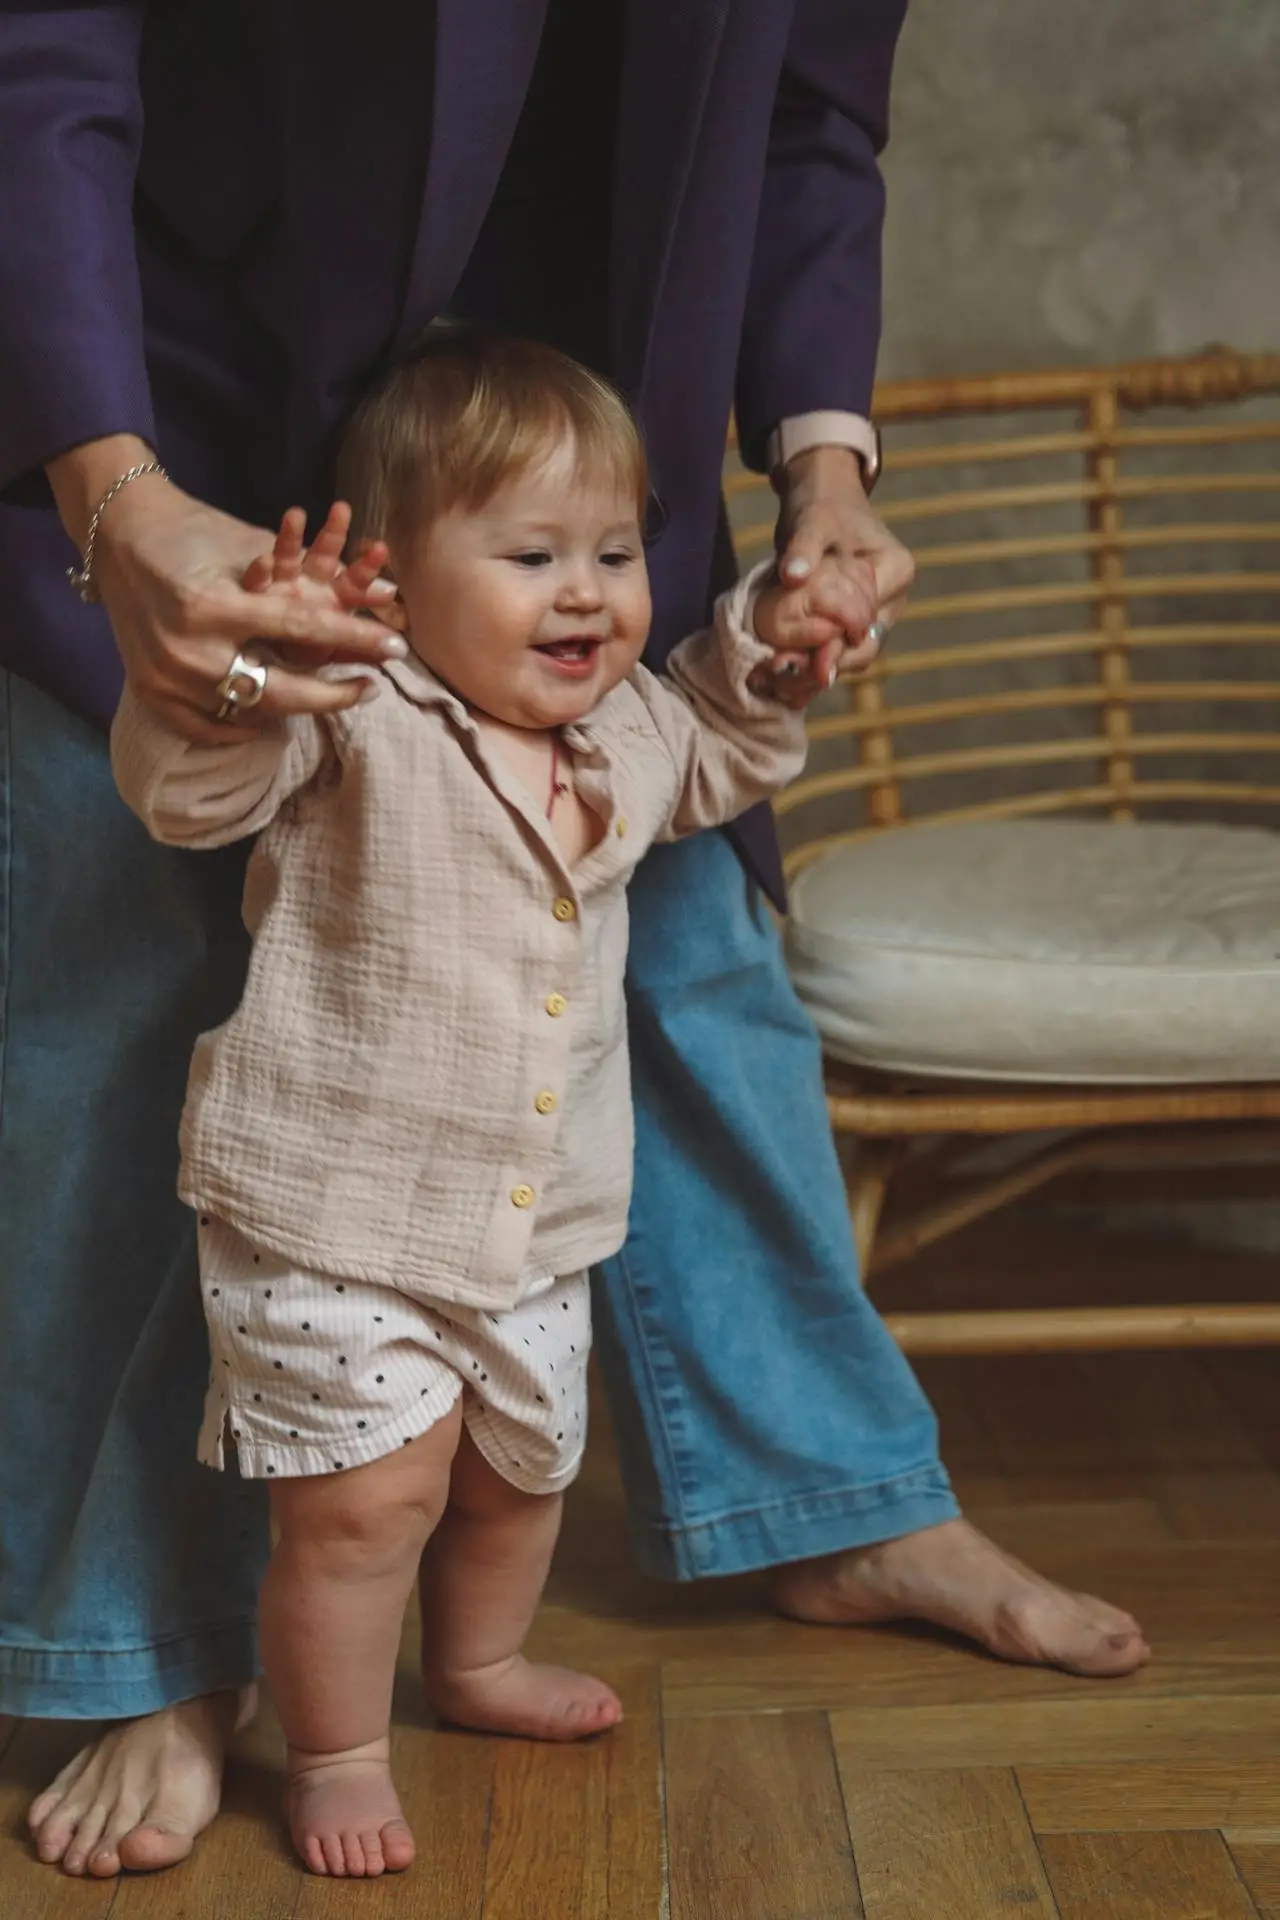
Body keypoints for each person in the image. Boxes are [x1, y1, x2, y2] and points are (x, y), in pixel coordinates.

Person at [0, 0, 1148, 1882]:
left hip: (568, 409)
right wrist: (114, 500)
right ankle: (149, 1649)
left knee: (691, 945)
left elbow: (803, 123)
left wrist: (815, 503)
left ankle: (823, 1490)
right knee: (115, 967)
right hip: (187, 352)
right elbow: (45, 59)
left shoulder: (612, 673)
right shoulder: (339, 715)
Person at [111, 326, 858, 1876]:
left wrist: (774, 649)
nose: (586, 589)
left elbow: (721, 734)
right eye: (530, 553)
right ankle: (332, 1748)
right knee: (367, 1508)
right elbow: (186, 794)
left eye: (612, 549)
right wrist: (250, 677)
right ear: (387, 576)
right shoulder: (353, 717)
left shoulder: (628, 724)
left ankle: (479, 1666)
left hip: (541, 1219)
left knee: (522, 1481)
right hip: (338, 1216)